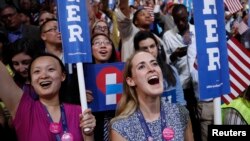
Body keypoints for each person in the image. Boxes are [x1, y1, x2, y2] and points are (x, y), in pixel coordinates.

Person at [0, 53, 96, 141]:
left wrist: (89, 134)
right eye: (37, 71)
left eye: (51, 69)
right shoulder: (23, 109)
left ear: (63, 76)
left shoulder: (79, 112)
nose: (44, 75)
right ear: (31, 81)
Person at [110, 51, 194, 141]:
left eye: (154, 64)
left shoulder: (180, 113)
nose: (151, 69)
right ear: (131, 81)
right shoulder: (120, 127)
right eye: (141, 66)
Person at [133, 30, 186, 105]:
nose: (150, 51)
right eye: (145, 48)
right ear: (137, 51)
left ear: (157, 47)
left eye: (152, 46)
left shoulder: (172, 70)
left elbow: (180, 101)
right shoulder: (135, 76)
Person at [90, 33, 118, 141]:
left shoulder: (122, 72)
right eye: (97, 43)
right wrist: (81, 97)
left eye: (107, 43)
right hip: (95, 126)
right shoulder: (83, 75)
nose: (103, 45)